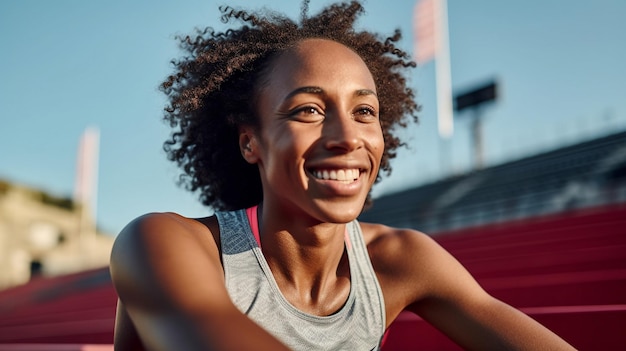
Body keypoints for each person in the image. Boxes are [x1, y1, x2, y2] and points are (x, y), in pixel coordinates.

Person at [109, 1, 576, 350]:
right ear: (249, 141)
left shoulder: (401, 259)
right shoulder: (160, 243)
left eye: (365, 111)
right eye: (309, 109)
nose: (348, 136)